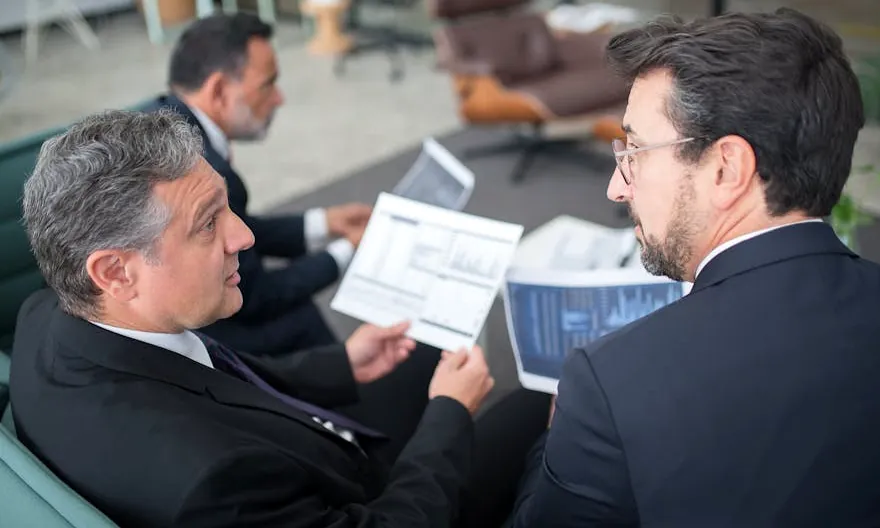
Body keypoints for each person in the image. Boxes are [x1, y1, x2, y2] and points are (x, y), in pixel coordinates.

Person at [12, 109, 552, 527]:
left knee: (429, 347)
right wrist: (450, 414)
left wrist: (344, 363)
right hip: (363, 501)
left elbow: (214, 378)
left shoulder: (49, 315)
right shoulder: (212, 480)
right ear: (115, 272)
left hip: (306, 448)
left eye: (227, 207)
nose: (244, 236)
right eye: (208, 224)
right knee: (543, 399)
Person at [512, 8, 880, 527]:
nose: (616, 187)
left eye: (637, 151)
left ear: (727, 169)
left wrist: (554, 439)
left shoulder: (611, 386)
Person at [144, 13, 370, 355]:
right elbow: (255, 297)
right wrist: (346, 251)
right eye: (268, 84)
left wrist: (322, 224)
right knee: (298, 318)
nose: (279, 98)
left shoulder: (159, 117)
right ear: (219, 90)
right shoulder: (208, 170)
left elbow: (241, 226)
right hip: (193, 338)